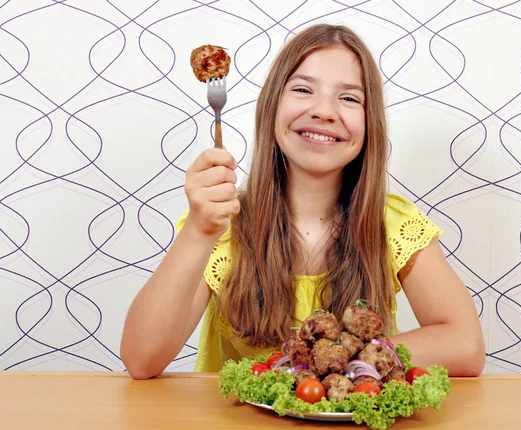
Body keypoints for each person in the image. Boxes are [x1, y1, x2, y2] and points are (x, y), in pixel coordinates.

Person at [120, 24, 485, 380]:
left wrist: (339, 357)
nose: (324, 111)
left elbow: (466, 346)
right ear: (272, 107)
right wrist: (199, 231)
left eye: (348, 98)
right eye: (303, 89)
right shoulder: (220, 223)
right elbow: (141, 360)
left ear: (370, 122)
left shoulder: (391, 221)